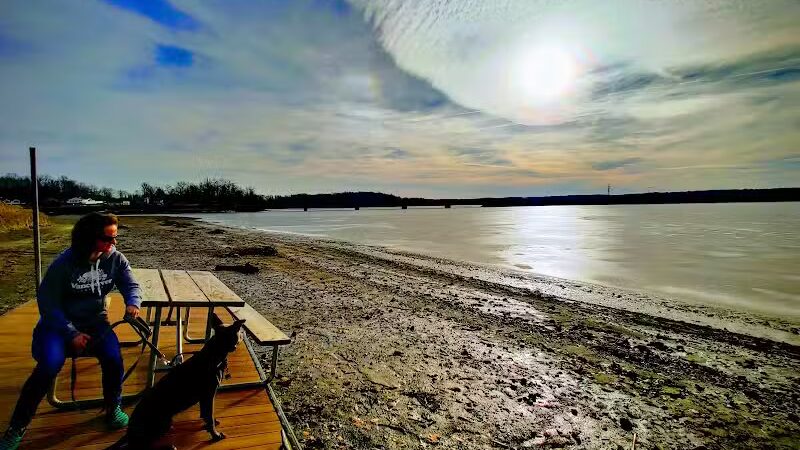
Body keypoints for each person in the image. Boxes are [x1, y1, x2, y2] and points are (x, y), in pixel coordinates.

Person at [0, 213, 142, 450]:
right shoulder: (62, 265)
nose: (113, 244)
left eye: (115, 238)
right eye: (108, 239)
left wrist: (133, 302)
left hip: (95, 323)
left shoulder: (115, 259)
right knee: (48, 366)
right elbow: (48, 304)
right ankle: (17, 426)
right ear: (89, 238)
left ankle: (112, 407)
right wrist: (71, 333)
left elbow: (131, 284)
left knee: (114, 359)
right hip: (57, 326)